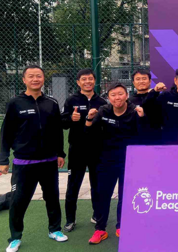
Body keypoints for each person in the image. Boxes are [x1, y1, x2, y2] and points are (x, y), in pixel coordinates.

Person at [0, 65, 68, 252]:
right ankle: (15, 237)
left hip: (48, 161)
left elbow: (57, 131)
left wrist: (60, 154)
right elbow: (5, 133)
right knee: (18, 201)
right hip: (23, 163)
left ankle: (54, 229)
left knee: (52, 198)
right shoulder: (15, 103)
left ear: (43, 79)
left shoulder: (52, 103)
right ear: (24, 80)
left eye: (38, 76)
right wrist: (3, 159)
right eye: (31, 76)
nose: (35, 79)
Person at [86, 83, 146, 244]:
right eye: (113, 95)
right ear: (108, 98)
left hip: (129, 161)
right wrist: (89, 119)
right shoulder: (103, 111)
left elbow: (143, 136)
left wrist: (142, 118)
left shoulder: (135, 111)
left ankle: (121, 226)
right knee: (103, 195)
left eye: (120, 94)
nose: (117, 98)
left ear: (126, 95)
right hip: (107, 160)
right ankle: (100, 229)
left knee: (125, 196)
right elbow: (91, 135)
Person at [61, 69, 107, 232]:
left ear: (94, 81)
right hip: (77, 150)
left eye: (90, 79)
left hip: (96, 150)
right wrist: (70, 119)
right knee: (73, 185)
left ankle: (96, 215)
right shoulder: (71, 100)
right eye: (84, 79)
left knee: (97, 184)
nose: (87, 81)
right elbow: (63, 123)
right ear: (78, 82)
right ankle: (70, 219)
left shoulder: (102, 101)